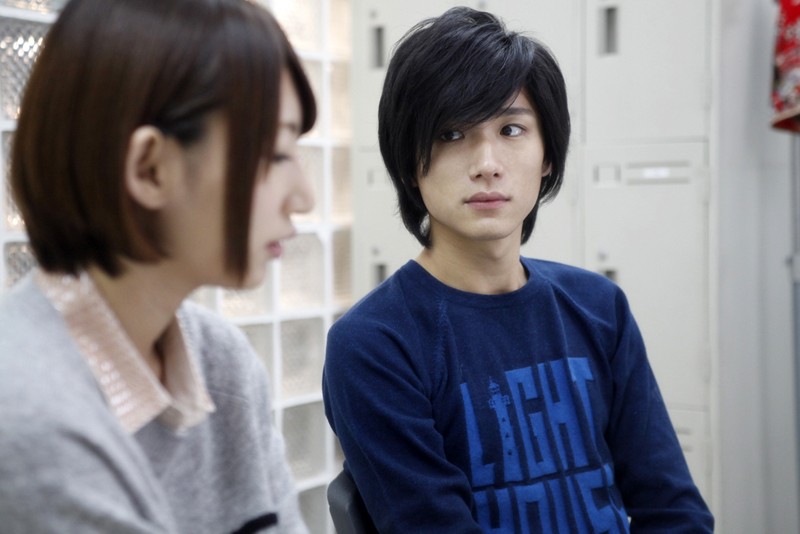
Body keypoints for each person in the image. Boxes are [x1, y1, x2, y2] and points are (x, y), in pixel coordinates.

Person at [322, 6, 714, 533]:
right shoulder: (374, 343)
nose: (487, 163)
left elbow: (673, 509)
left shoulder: (599, 307)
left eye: (511, 129)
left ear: (547, 155)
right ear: (409, 162)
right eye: (451, 134)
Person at [0, 0, 315, 532]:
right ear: (150, 168)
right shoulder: (30, 416)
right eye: (276, 155)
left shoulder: (222, 362)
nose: (303, 197)